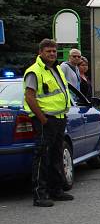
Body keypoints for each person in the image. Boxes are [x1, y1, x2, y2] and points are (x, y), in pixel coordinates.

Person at [23, 39, 73, 207]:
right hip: (46, 120)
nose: (52, 54)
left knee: (56, 155)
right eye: (48, 51)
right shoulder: (34, 71)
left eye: (54, 51)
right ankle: (39, 194)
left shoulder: (56, 69)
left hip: (59, 118)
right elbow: (29, 97)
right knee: (43, 156)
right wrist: (43, 119)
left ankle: (56, 190)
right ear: (40, 52)